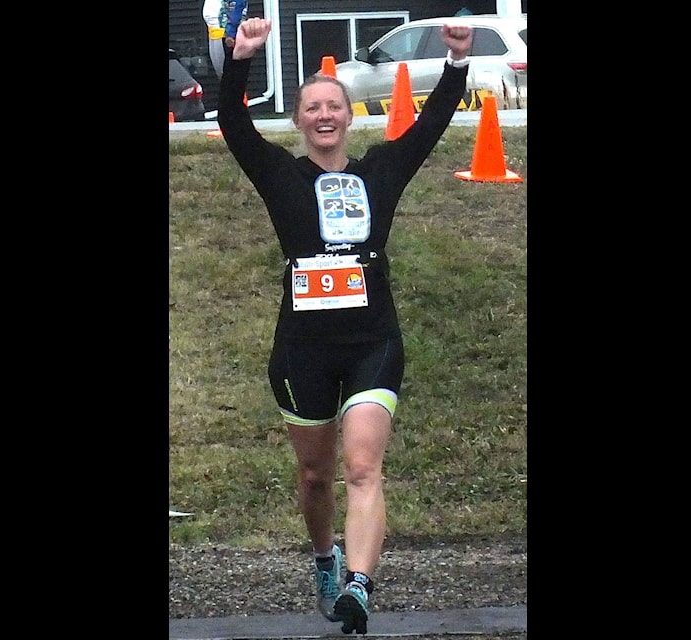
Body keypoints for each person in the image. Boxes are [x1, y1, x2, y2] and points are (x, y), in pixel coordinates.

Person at [217, 16, 473, 636]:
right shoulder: (280, 175)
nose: (325, 115)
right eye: (313, 108)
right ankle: (326, 559)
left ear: (349, 116)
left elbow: (430, 127)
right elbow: (232, 124)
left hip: (372, 343)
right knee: (315, 478)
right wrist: (240, 57)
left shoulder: (380, 171)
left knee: (361, 467)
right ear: (300, 121)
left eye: (335, 105)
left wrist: (458, 63)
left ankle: (359, 587)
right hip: (302, 349)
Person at [202, 0, 248, 79]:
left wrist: (230, 33)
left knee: (228, 76)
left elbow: (236, 7)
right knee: (223, 75)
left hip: (224, 33)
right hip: (214, 31)